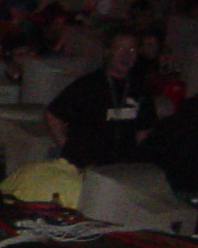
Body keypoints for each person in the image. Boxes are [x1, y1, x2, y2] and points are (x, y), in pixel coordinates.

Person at [46, 26, 158, 169]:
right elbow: (53, 115)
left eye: (131, 50)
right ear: (108, 51)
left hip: (121, 167)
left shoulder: (140, 88)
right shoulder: (89, 84)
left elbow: (145, 129)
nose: (126, 55)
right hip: (88, 165)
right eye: (120, 49)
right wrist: (70, 150)